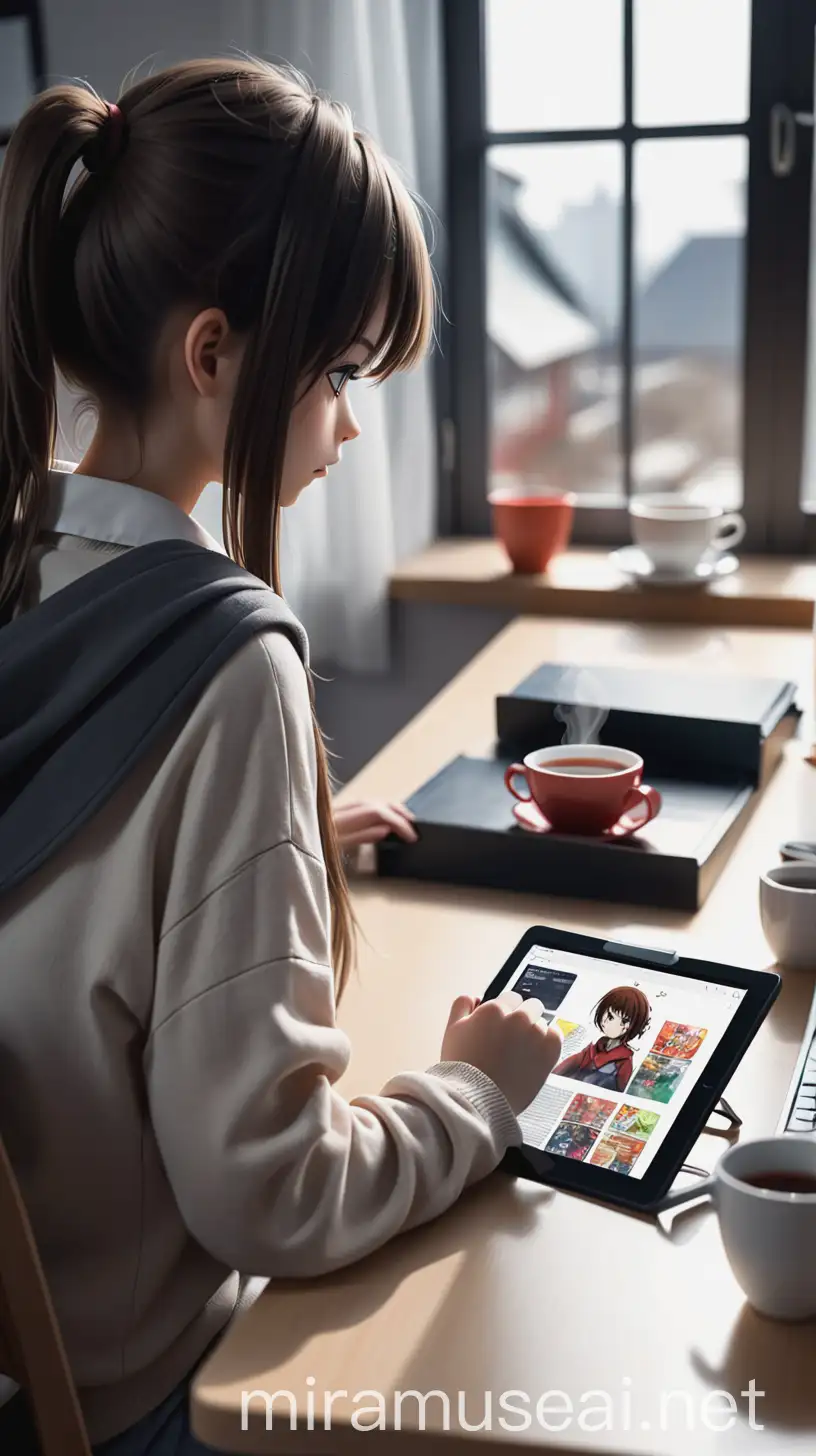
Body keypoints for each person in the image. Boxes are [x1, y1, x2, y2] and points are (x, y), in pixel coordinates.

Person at [0, 59, 563, 1455]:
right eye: (343, 370)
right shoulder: (223, 661)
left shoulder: (20, 564)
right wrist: (473, 1096)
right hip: (146, 1402)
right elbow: (271, 1196)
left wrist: (281, 840)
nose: (352, 423)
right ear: (214, 356)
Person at [553, 986, 651, 1093]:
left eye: (610, 1017)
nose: (603, 1021)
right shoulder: (594, 1048)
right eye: (605, 1013)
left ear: (626, 1025)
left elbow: (618, 1091)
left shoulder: (624, 1062)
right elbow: (571, 1063)